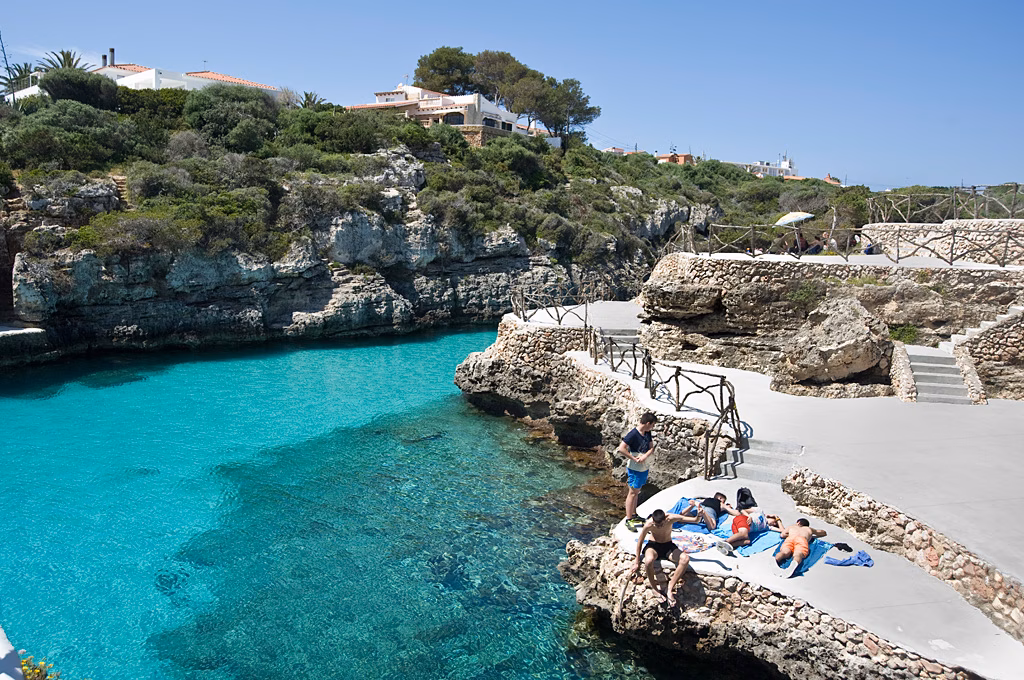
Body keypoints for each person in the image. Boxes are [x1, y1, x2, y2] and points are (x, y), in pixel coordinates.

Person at [630, 509, 691, 606]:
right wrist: (637, 561)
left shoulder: (670, 518)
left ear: (665, 520)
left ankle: (670, 589)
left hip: (668, 546)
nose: (658, 527)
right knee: (649, 561)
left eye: (661, 525)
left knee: (685, 559)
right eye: (656, 525)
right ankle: (654, 589)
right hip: (653, 546)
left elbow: (693, 520)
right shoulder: (649, 524)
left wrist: (699, 515)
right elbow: (640, 542)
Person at [619, 413, 657, 525]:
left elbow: (651, 448)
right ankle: (629, 518)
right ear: (648, 423)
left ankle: (634, 514)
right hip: (635, 467)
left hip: (644, 466)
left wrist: (645, 456)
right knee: (632, 492)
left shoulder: (647, 433)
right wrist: (634, 458)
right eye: (652, 425)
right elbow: (621, 448)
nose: (652, 427)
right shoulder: (633, 434)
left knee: (637, 492)